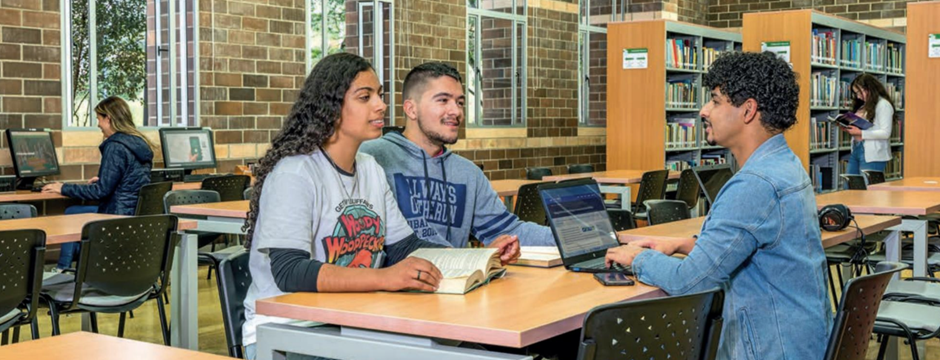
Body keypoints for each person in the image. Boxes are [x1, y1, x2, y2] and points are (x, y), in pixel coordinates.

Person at [240, 53, 520, 360]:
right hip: (291, 332)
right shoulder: (295, 173)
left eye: (380, 95)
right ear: (331, 108)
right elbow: (289, 271)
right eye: (365, 97)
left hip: (354, 322)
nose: (381, 105)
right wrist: (387, 278)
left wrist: (478, 259)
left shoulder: (370, 168)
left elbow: (406, 247)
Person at [604, 52, 833, 360]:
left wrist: (638, 258)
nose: (703, 110)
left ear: (748, 110)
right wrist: (685, 244)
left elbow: (688, 282)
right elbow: (753, 245)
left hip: (772, 350)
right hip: (800, 341)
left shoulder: (755, 184)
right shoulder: (786, 166)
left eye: (714, 100)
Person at [360, 62, 554, 248]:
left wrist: (574, 234)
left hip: (459, 279)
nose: (456, 111)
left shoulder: (468, 173)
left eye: (460, 102)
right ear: (411, 109)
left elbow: (509, 231)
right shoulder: (370, 158)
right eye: (443, 100)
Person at [43, 96, 154, 271]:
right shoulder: (139, 143)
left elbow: (100, 192)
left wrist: (63, 187)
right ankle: (67, 267)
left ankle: (62, 269)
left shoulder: (115, 146)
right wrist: (105, 180)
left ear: (108, 119)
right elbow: (131, 179)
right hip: (133, 213)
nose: (98, 125)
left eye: (99, 119)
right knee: (74, 212)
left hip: (116, 214)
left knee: (72, 213)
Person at [844, 73, 895, 175]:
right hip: (857, 148)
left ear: (869, 88)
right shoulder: (864, 105)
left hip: (873, 153)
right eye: (856, 93)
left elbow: (885, 133)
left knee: (869, 189)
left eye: (859, 92)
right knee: (850, 186)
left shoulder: (883, 105)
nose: (858, 97)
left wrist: (861, 133)